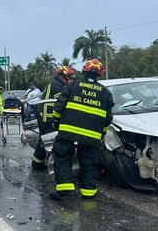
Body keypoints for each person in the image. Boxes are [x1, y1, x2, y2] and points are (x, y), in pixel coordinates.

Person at [50, 59, 114, 200]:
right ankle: (88, 192)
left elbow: (59, 105)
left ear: (84, 71)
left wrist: (55, 121)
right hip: (91, 135)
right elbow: (108, 118)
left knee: (62, 156)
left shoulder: (73, 86)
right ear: (99, 74)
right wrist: (102, 133)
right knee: (89, 162)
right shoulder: (105, 93)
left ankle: (64, 188)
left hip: (68, 131)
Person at [31, 66, 75, 169]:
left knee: (44, 139)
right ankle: (37, 163)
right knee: (47, 138)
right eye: (68, 77)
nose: (70, 80)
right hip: (47, 116)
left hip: (47, 114)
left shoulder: (58, 84)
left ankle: (37, 162)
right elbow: (62, 102)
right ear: (61, 76)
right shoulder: (57, 85)